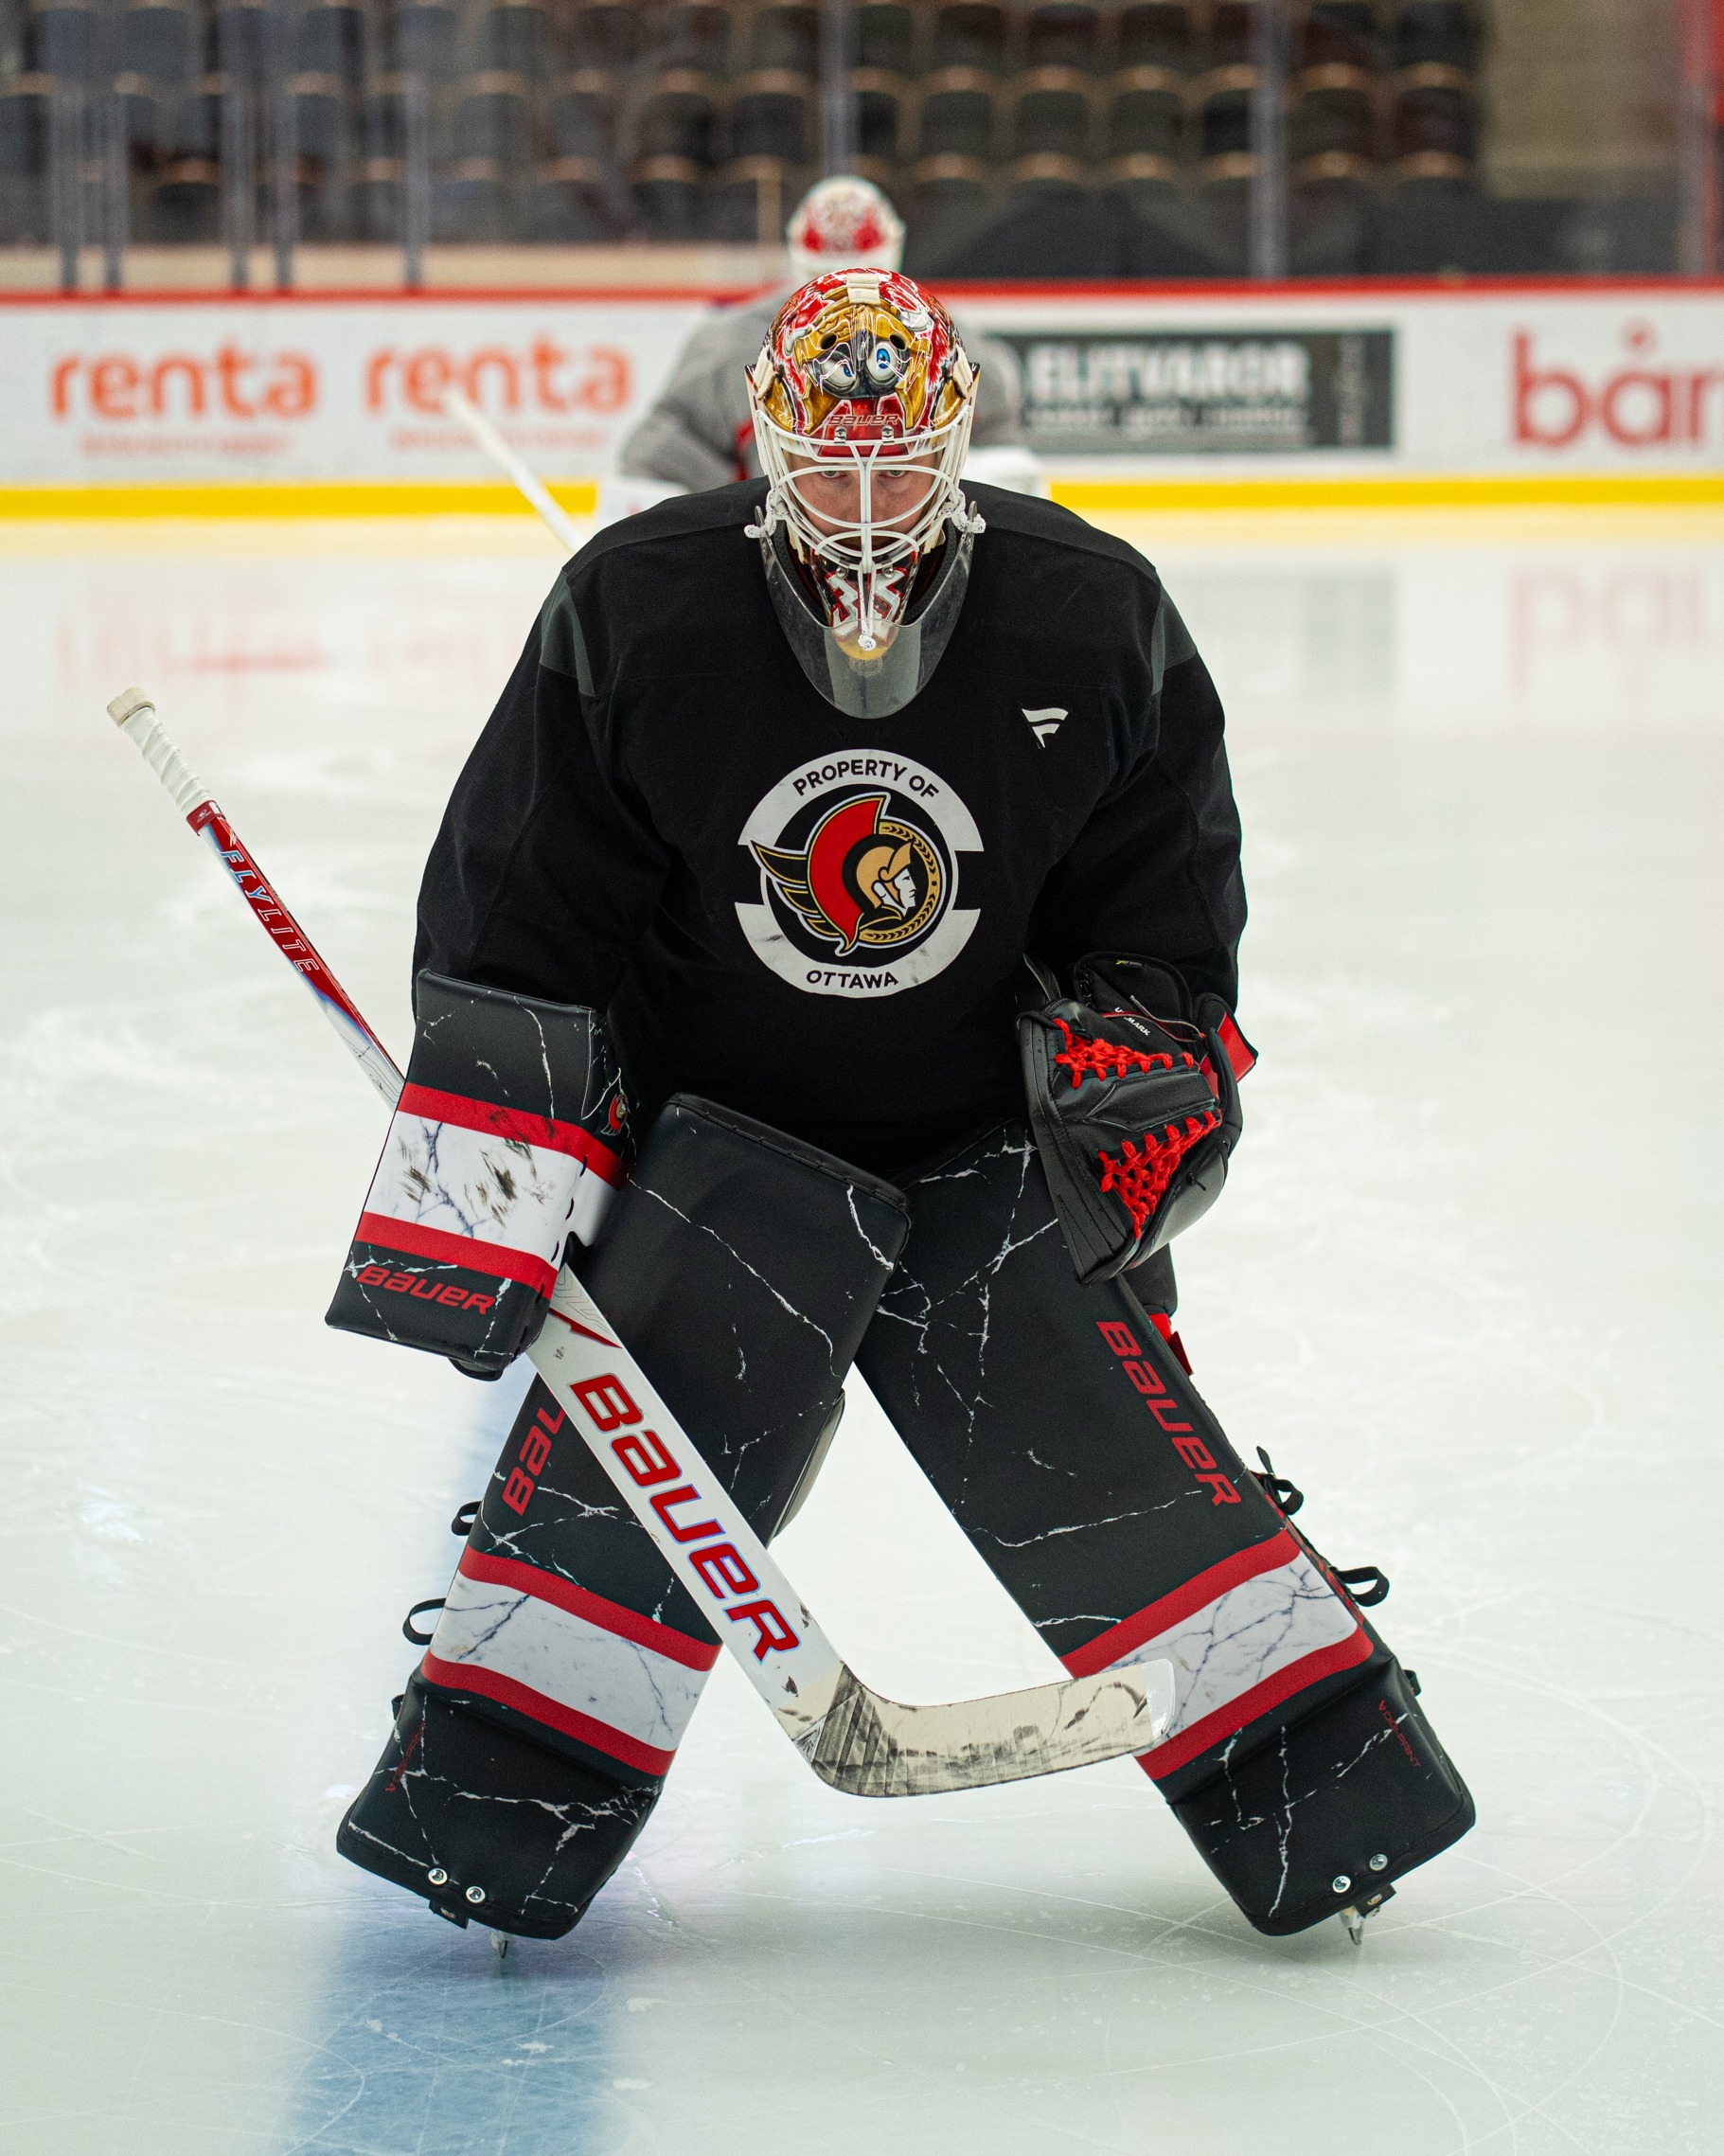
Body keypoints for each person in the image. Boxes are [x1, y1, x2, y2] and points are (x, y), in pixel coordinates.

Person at [329, 269, 1474, 1948]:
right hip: (714, 1155)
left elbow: (1165, 906)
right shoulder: (635, 605)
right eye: (829, 453)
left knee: (1121, 1477)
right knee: (619, 1509)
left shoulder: (1094, 609)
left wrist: (1140, 1061)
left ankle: (1318, 1774)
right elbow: (520, 915)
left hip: (985, 1147)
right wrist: (502, 1178)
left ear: (963, 438)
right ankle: (493, 1803)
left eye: (903, 452)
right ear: (759, 438)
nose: (866, 498)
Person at [616, 174, 1034, 498]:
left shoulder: (950, 342)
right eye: (828, 280)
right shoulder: (725, 348)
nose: (847, 298)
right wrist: (737, 513)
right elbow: (654, 459)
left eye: (861, 275)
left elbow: (1007, 463)